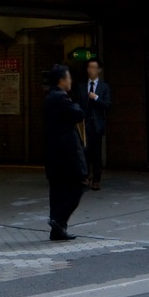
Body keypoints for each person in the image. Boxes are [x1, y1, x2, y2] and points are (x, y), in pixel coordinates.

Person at [43, 64, 87, 241]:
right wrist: (79, 100)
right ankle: (58, 221)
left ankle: (57, 231)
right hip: (66, 153)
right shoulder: (60, 98)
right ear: (61, 80)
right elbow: (78, 114)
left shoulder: (49, 97)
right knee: (79, 184)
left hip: (53, 153)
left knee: (57, 191)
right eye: (68, 78)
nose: (71, 81)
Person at [77, 59, 112, 190]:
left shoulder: (104, 87)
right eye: (89, 67)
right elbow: (78, 104)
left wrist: (96, 97)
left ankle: (96, 179)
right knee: (84, 152)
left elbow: (108, 105)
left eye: (93, 67)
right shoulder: (81, 86)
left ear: (99, 70)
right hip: (84, 123)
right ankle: (85, 177)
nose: (90, 70)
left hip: (96, 124)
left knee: (96, 153)